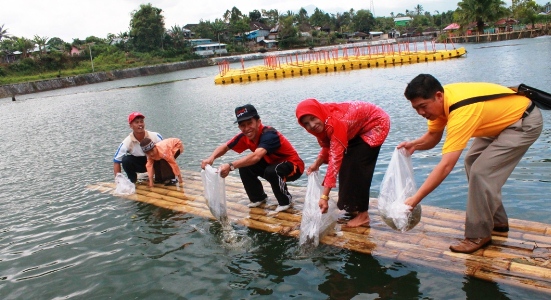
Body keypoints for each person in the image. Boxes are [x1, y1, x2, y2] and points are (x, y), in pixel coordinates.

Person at [398, 74, 543, 254]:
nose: (421, 113)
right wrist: (415, 144)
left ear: (438, 96)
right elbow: (433, 137)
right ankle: (497, 221)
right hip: (499, 122)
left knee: (481, 172)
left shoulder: (461, 111)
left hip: (523, 122)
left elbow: (446, 166)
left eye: (423, 107)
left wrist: (414, 200)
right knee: (472, 161)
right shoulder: (441, 104)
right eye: (416, 108)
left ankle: (477, 235)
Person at [295, 98, 391, 228]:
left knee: (358, 168)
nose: (312, 125)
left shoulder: (335, 123)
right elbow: (328, 144)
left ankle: (363, 215)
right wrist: (317, 163)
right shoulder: (323, 122)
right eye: (306, 123)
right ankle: (353, 207)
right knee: (347, 166)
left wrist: (324, 196)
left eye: (313, 118)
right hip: (356, 128)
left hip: (376, 124)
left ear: (318, 113)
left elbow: (334, 160)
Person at [201, 104, 304, 212]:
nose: (246, 128)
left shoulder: (269, 134)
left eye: (249, 123)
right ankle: (258, 198)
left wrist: (231, 166)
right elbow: (225, 147)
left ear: (258, 122)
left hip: (294, 166)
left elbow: (256, 156)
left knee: (271, 171)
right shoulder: (245, 136)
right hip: (272, 164)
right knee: (245, 167)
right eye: (242, 125)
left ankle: (285, 201)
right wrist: (211, 158)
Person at [113, 112, 164, 183]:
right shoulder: (127, 142)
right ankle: (132, 180)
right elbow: (116, 161)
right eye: (136, 122)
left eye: (141, 121)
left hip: (154, 162)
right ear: (131, 126)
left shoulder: (155, 136)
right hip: (140, 164)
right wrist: (118, 181)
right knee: (126, 160)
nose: (140, 124)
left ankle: (160, 176)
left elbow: (166, 151)